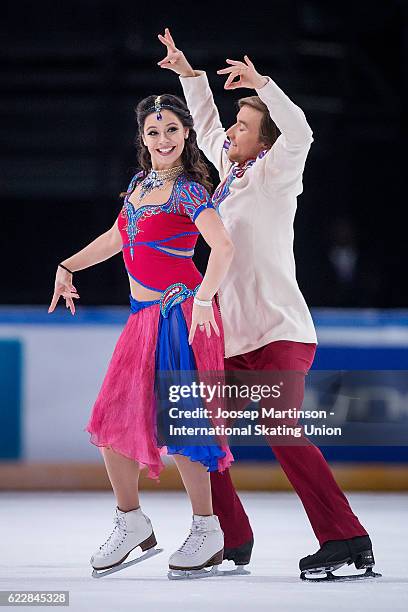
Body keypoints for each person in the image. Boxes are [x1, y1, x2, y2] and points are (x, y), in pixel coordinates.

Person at [157, 27, 378, 580]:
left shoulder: (277, 177)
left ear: (265, 142)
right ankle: (233, 538)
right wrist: (189, 74)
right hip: (231, 336)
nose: (232, 130)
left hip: (279, 331)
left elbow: (300, 131)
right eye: (236, 122)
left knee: (282, 429)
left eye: (245, 125)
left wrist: (264, 85)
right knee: (198, 428)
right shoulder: (229, 177)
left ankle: (346, 537)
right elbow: (206, 125)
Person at [48, 91, 236, 578]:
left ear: (187, 134)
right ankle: (131, 521)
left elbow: (223, 247)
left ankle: (206, 528)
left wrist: (201, 298)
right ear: (142, 138)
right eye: (154, 131)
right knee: (111, 418)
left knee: (184, 423)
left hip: (179, 314)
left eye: (172, 129)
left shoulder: (192, 190)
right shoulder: (138, 185)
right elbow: (116, 239)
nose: (163, 138)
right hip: (142, 317)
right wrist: (68, 265)